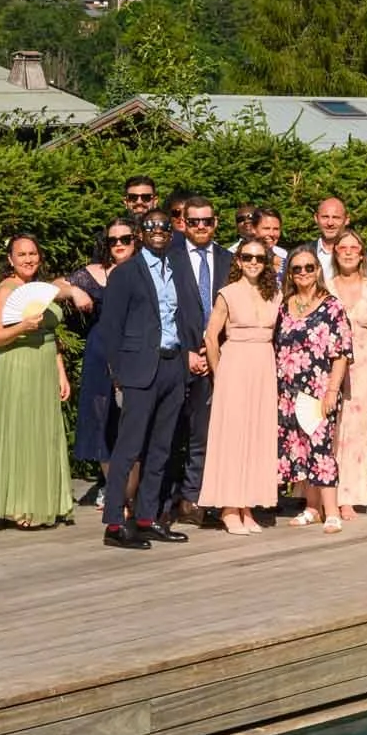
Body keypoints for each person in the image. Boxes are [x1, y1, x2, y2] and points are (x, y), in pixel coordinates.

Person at [94, 212, 195, 550]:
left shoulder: (177, 269)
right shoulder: (126, 274)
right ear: (140, 233)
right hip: (138, 370)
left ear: (171, 233)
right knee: (129, 447)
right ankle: (113, 523)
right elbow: (110, 327)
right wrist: (118, 373)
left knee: (162, 447)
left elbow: (185, 316)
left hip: (172, 365)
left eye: (164, 228)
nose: (158, 232)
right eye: (151, 227)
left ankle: (147, 518)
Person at [0, 235, 74, 529]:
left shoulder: (41, 290)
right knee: (21, 432)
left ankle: (47, 502)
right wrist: (23, 325)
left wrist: (60, 370)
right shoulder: (6, 290)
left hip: (45, 364)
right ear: (10, 259)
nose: (28, 259)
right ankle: (18, 506)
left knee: (44, 433)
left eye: (33, 253)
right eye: (21, 254)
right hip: (17, 365)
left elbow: (51, 335)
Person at [200, 237, 281, 534]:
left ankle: (248, 505)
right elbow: (211, 336)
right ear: (238, 260)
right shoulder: (227, 293)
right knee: (233, 436)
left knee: (257, 434)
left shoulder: (275, 294)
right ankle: (229, 507)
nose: (253, 263)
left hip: (263, 364)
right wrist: (219, 372)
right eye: (247, 257)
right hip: (235, 363)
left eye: (259, 258)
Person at [275, 248, 354, 533]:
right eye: (297, 269)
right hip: (287, 390)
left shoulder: (332, 306)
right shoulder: (285, 306)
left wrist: (333, 390)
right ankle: (311, 507)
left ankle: (331, 511)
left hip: (319, 388)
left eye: (309, 267)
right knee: (300, 447)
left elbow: (342, 351)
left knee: (320, 448)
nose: (304, 273)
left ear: (318, 270)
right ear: (290, 274)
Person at [165, 196, 231, 527]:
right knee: (170, 431)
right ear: (184, 224)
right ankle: (165, 499)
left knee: (204, 434)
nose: (201, 226)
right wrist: (186, 351)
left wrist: (213, 349)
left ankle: (194, 498)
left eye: (207, 221)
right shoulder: (168, 259)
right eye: (195, 222)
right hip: (177, 357)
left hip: (218, 358)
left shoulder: (230, 260)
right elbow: (163, 311)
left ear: (215, 223)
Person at [67, 219, 138, 508]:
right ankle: (115, 492)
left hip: (135, 353)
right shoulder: (95, 273)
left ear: (137, 240)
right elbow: (54, 286)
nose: (119, 244)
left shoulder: (147, 271)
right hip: (100, 355)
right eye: (113, 240)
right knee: (102, 423)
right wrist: (74, 290)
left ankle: (132, 496)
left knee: (134, 424)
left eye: (125, 238)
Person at [326, 229, 367, 515]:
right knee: (329, 428)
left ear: (362, 253)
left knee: (356, 431)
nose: (349, 252)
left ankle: (348, 496)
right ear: (335, 252)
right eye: (343, 247)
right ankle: (322, 494)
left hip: (363, 365)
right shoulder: (325, 285)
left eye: (354, 247)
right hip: (329, 365)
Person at [307, 197, 348, 267]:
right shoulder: (303, 253)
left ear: (346, 220)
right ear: (316, 218)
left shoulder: (364, 256)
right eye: (325, 217)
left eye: (336, 217)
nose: (330, 223)